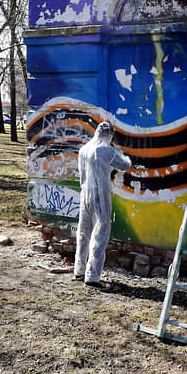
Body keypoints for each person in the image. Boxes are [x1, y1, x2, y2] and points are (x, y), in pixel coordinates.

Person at [74, 121, 132, 289]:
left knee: (83, 232)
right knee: (100, 233)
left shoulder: (83, 149)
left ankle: (79, 269)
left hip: (85, 194)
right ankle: (92, 276)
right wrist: (124, 154)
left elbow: (82, 175)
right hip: (100, 195)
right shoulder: (106, 149)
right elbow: (125, 165)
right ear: (109, 135)